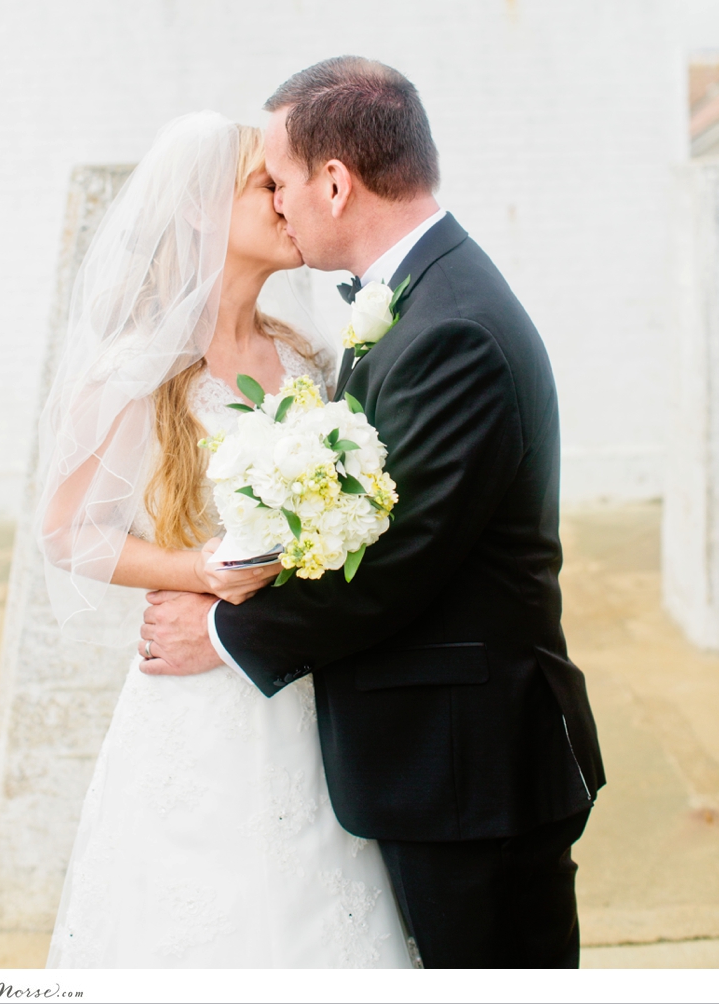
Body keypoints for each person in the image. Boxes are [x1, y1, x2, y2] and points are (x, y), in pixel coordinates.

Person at [141, 59, 606, 969]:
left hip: (473, 770)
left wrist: (226, 635)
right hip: (447, 763)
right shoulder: (418, 299)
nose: (276, 202)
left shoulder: (450, 328)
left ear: (335, 183)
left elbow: (401, 563)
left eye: (279, 181)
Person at [39, 113, 413, 969]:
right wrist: (194, 569)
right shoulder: (139, 369)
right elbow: (66, 532)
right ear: (205, 208)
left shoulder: (306, 353)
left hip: (315, 695)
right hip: (199, 709)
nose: (287, 203)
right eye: (265, 186)